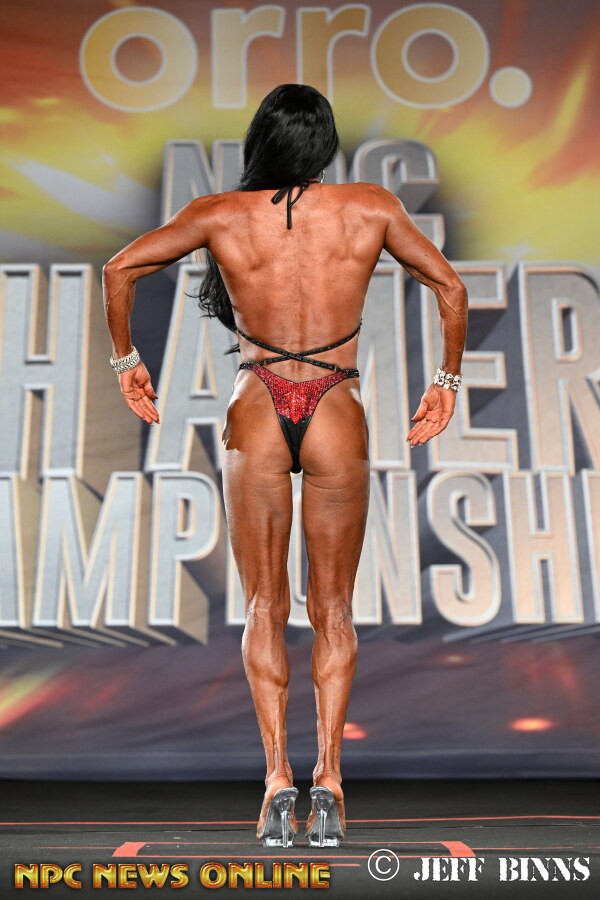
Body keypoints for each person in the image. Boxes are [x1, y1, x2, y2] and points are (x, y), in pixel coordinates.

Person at [102, 83, 468, 849]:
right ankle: (327, 782)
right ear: (325, 143)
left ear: (260, 141)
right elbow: (450, 287)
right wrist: (446, 382)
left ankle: (276, 784)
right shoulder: (370, 207)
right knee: (333, 611)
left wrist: (127, 364)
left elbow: (118, 271)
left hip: (258, 408)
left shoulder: (219, 214)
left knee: (263, 608)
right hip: (335, 406)